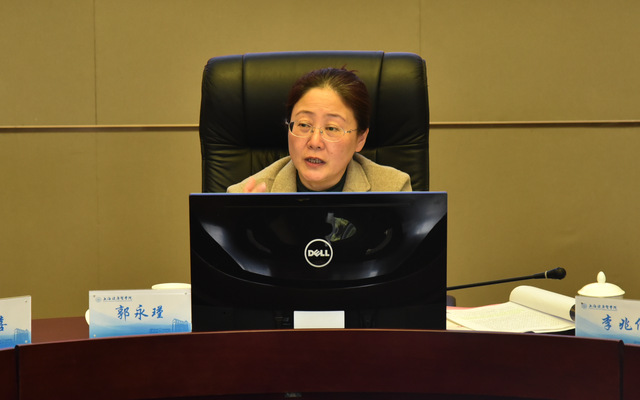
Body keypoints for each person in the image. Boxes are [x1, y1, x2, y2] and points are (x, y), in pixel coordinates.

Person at [227, 67, 412, 193]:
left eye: (331, 128)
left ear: (360, 139)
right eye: (304, 125)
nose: (314, 142)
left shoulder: (392, 191)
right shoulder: (246, 197)